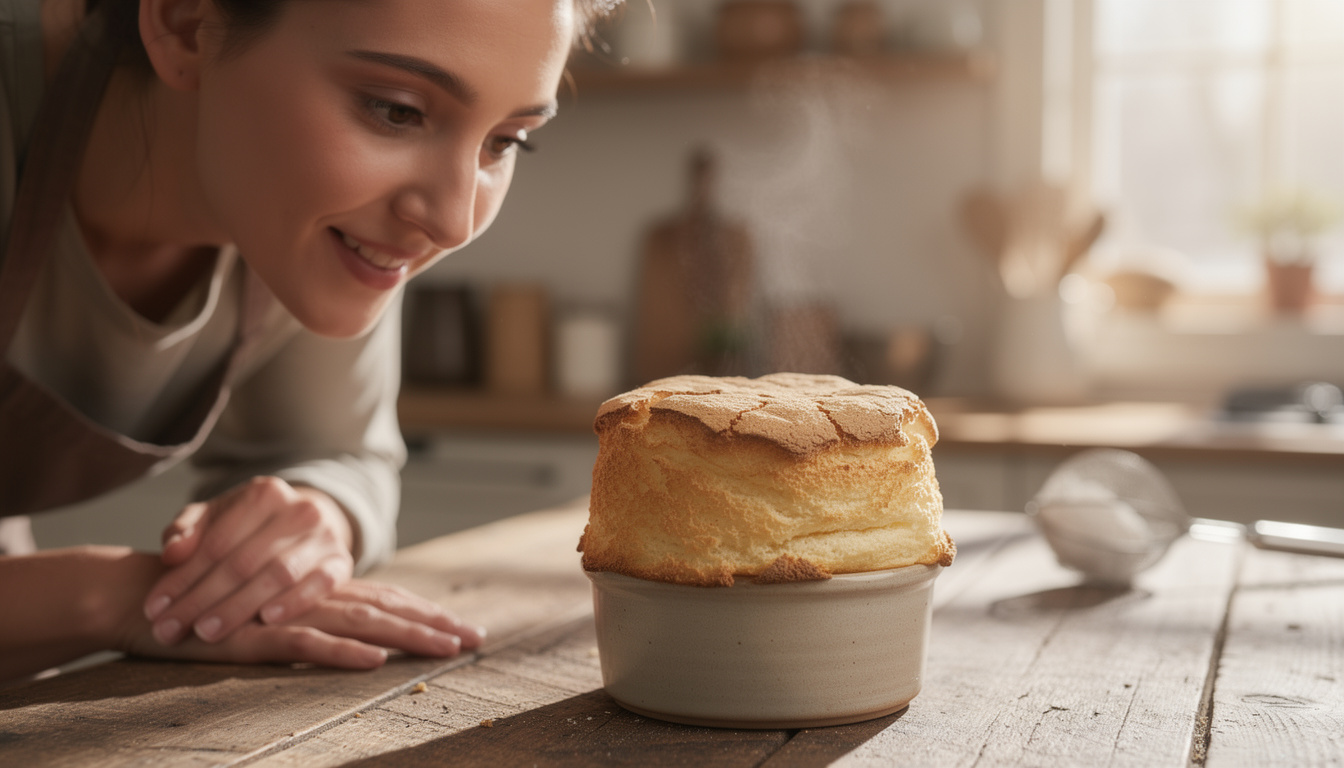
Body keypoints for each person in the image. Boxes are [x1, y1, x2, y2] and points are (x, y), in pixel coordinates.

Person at [0, 0, 614, 682]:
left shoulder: (312, 225)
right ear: (182, 23)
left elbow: (333, 451)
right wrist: (115, 597)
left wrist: (311, 522)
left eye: (506, 142)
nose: (451, 220)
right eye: (397, 111)